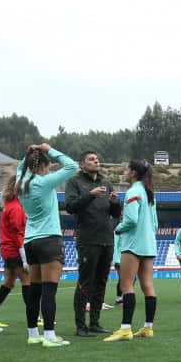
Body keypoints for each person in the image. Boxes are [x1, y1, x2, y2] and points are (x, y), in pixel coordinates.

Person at [17, 143, 79, 346]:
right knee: (49, 290)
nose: (50, 169)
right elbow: (72, 166)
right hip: (49, 239)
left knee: (34, 290)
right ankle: (50, 336)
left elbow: (20, 167)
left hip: (30, 241)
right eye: (48, 165)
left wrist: (29, 154)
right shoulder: (44, 182)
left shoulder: (20, 182)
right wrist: (49, 149)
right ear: (42, 166)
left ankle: (33, 334)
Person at [64, 150, 119, 337]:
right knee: (85, 282)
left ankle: (95, 323)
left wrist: (115, 203)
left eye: (97, 158)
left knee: (101, 282)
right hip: (88, 240)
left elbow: (114, 214)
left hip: (107, 240)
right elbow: (70, 207)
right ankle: (80, 326)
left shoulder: (106, 182)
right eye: (91, 159)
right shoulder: (74, 182)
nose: (96, 161)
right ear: (82, 164)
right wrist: (90, 194)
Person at [105, 160, 159, 341]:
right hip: (148, 244)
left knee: (126, 285)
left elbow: (131, 221)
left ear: (134, 173)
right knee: (148, 285)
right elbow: (155, 223)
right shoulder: (149, 193)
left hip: (133, 244)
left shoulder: (133, 192)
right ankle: (148, 328)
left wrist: (118, 229)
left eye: (126, 169)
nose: (124, 172)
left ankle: (125, 328)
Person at [0, 172, 29, 328]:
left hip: (7, 250)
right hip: (14, 250)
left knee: (8, 283)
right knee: (27, 282)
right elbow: (18, 233)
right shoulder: (16, 207)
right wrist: (24, 257)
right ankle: (35, 317)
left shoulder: (10, 205)